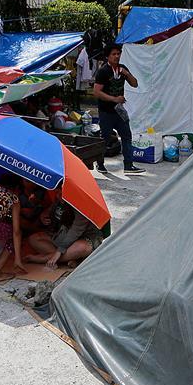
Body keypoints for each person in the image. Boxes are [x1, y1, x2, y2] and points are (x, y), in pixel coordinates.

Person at [93, 44, 145, 175]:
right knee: (104, 138)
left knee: (127, 135)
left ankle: (129, 165)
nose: (117, 56)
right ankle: (100, 164)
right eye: (113, 54)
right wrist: (114, 99)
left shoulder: (122, 69)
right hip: (106, 111)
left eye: (118, 54)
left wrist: (127, 74)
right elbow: (97, 92)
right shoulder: (103, 71)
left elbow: (135, 84)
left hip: (120, 110)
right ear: (108, 56)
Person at [25, 199, 102, 270]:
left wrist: (59, 252)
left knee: (82, 247)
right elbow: (50, 211)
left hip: (86, 237)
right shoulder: (59, 200)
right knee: (34, 238)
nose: (59, 195)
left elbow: (75, 231)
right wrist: (43, 215)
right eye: (57, 191)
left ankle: (44, 259)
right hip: (64, 235)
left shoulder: (82, 204)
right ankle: (71, 258)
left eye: (61, 192)